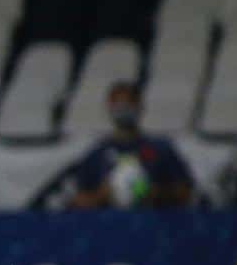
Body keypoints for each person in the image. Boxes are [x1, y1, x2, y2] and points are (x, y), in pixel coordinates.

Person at [69, 80, 194, 209]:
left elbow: (186, 193)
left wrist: (156, 194)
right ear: (109, 107)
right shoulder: (96, 154)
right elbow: (77, 200)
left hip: (153, 225)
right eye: (118, 104)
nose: (123, 108)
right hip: (109, 225)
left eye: (129, 103)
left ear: (140, 106)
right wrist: (101, 196)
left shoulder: (161, 149)